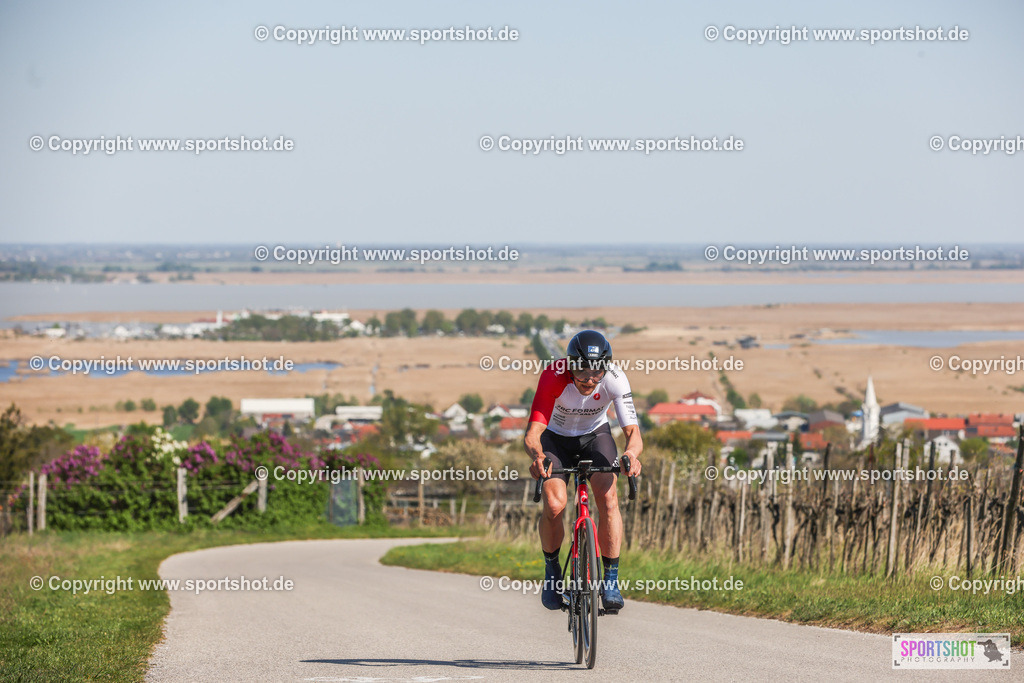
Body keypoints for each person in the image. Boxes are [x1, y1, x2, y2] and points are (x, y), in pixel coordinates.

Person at [524, 329, 643, 612]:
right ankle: (552, 572)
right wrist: (538, 456)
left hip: (594, 436)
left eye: (596, 373)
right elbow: (533, 434)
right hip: (555, 439)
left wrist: (631, 454)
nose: (590, 380)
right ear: (570, 365)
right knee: (554, 505)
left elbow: (633, 432)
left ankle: (610, 581)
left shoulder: (614, 378)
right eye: (582, 372)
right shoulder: (553, 375)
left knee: (609, 499)